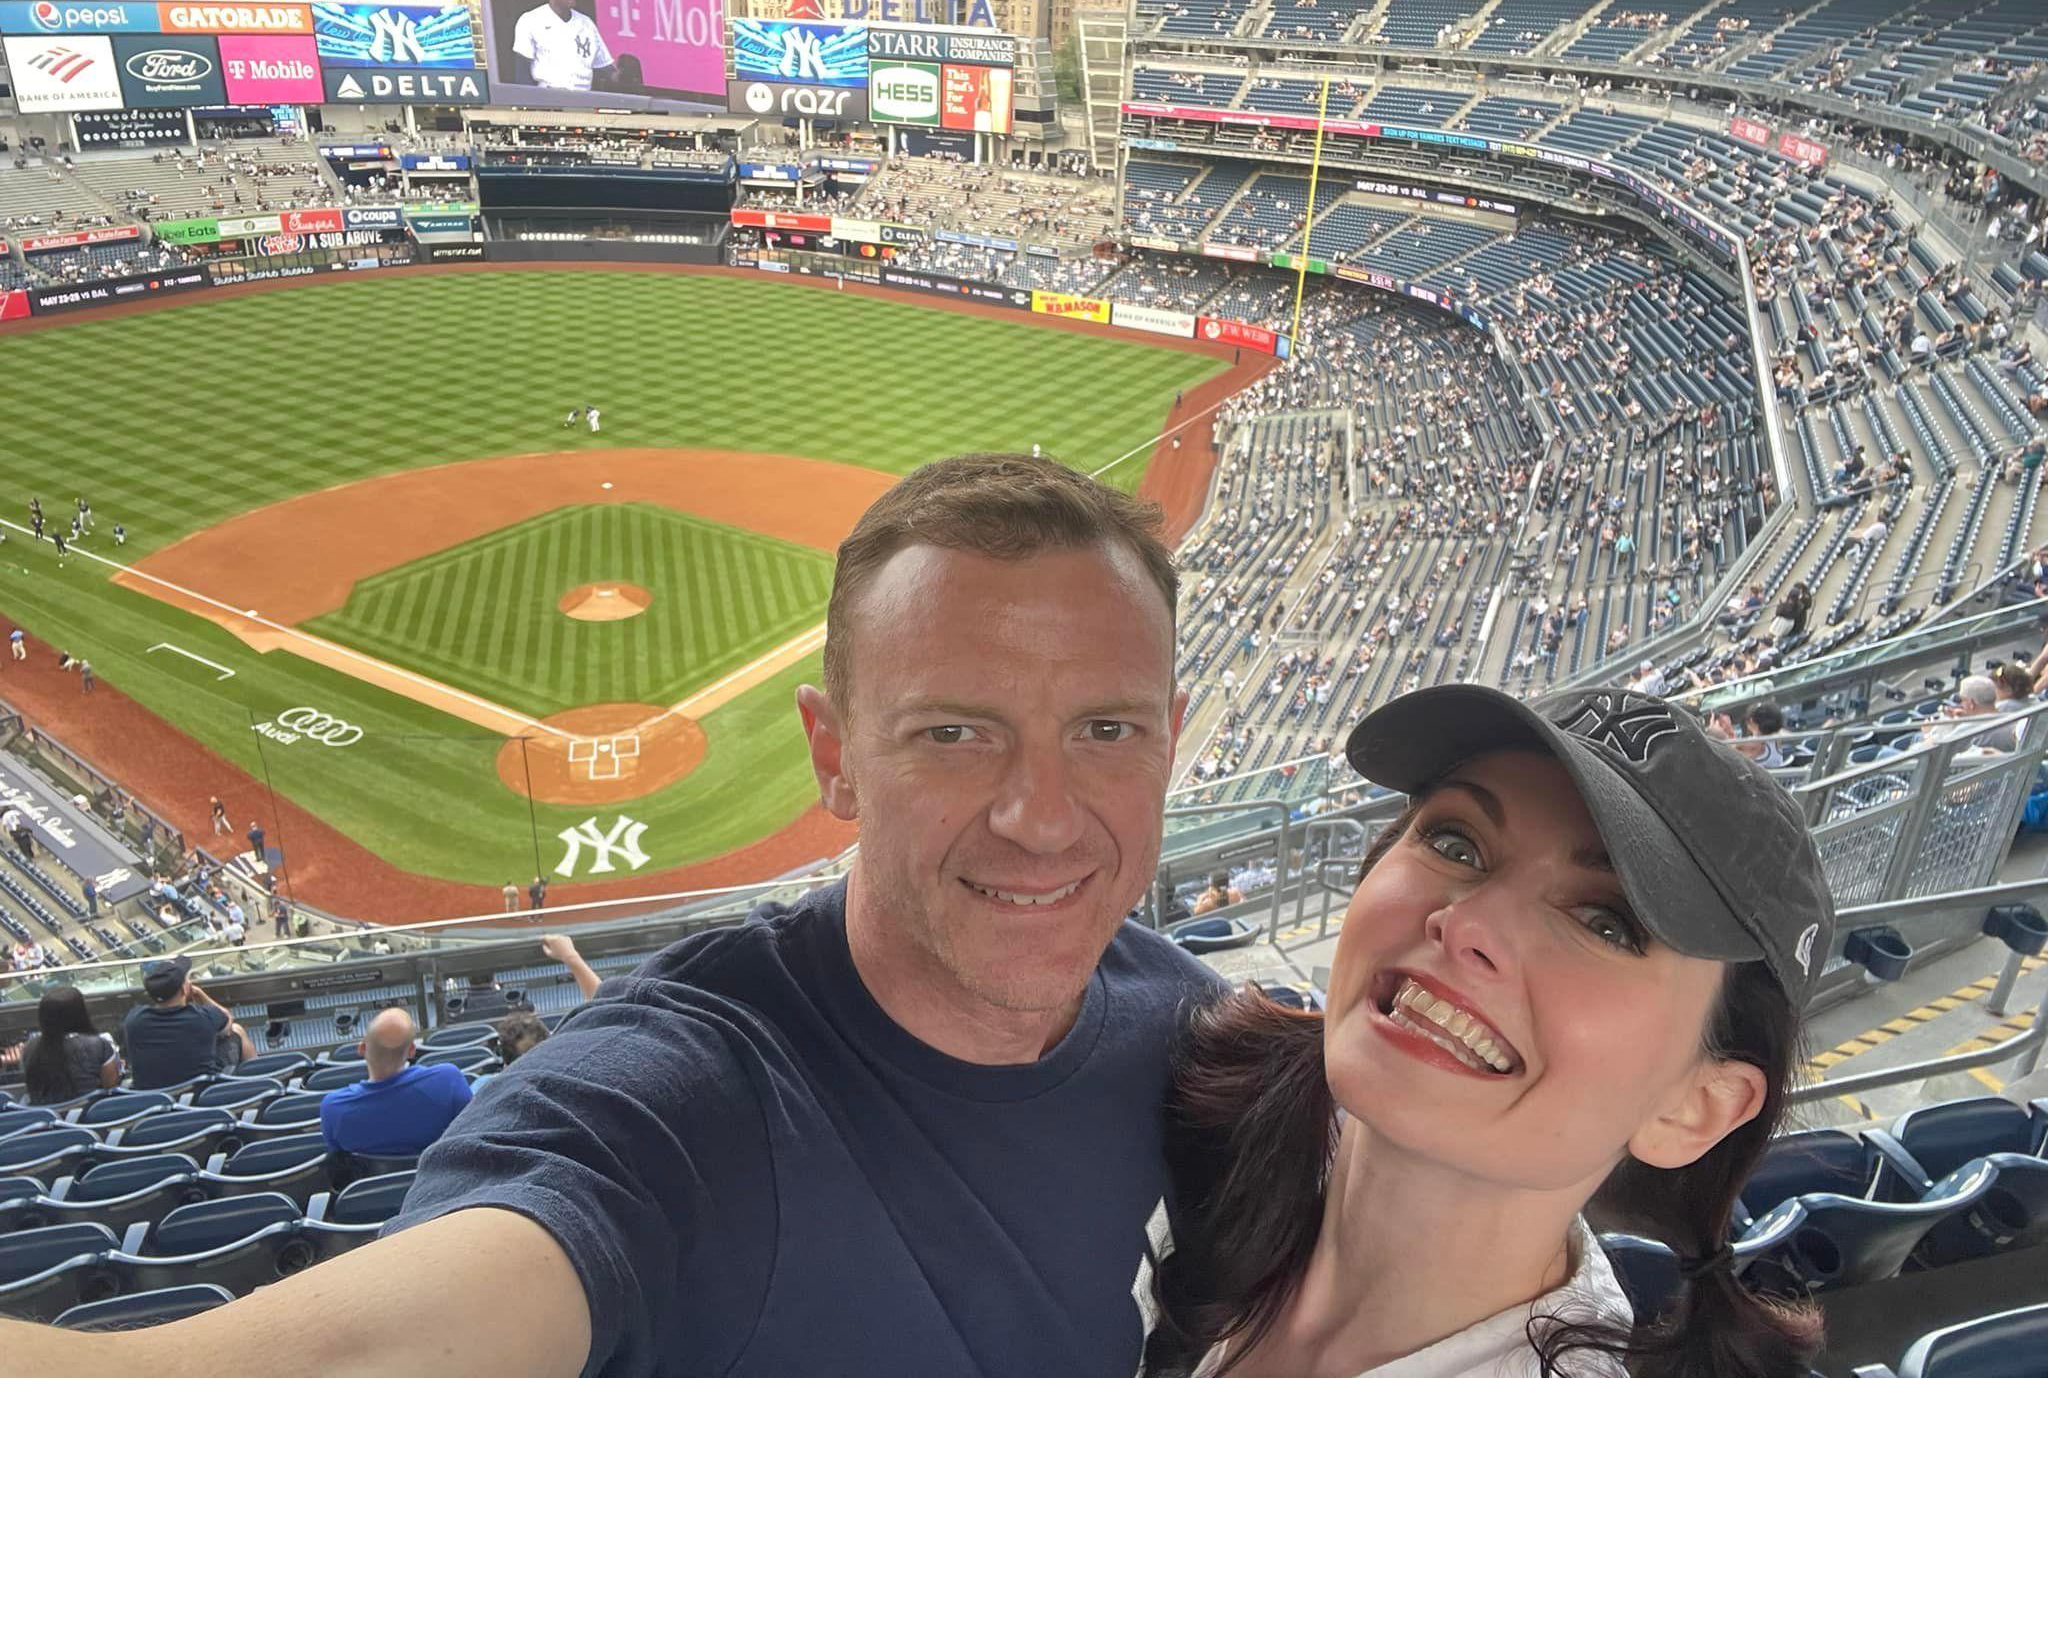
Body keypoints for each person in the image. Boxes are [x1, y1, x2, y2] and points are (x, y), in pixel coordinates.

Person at [0, 454, 1208, 1376]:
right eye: (953, 731)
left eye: (1106, 728)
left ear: (1168, 737)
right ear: (832, 756)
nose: (1040, 817)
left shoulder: (1214, 1037)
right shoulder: (670, 1101)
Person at [1149, 684, 1831, 1378]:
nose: (1468, 923)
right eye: (1456, 843)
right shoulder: (1154, 1105)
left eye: (1606, 923)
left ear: (1695, 1108)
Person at [318, 1009, 473, 1160]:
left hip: (373, 1186)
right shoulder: (448, 1080)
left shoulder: (333, 1108)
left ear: (362, 1048)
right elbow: (473, 1129)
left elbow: (337, 1157)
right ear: (412, 1050)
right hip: (443, 1182)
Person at [121, 956, 255, 1089]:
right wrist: (201, 995)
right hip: (201, 1093)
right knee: (237, 1029)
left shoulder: (134, 1019)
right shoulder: (203, 1016)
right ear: (185, 989)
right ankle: (256, 1081)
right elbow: (227, 1019)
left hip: (153, 1097)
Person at [510, 0, 616, 93]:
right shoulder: (531, 20)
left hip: (584, 98)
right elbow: (522, 74)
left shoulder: (587, 24)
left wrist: (622, 75)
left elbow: (604, 68)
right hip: (548, 97)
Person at [20, 985, 121, 1104]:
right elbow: (110, 1087)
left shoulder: (30, 1048)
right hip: (90, 1116)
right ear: (80, 1012)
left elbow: (32, 1088)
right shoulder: (99, 1044)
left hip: (46, 1118)